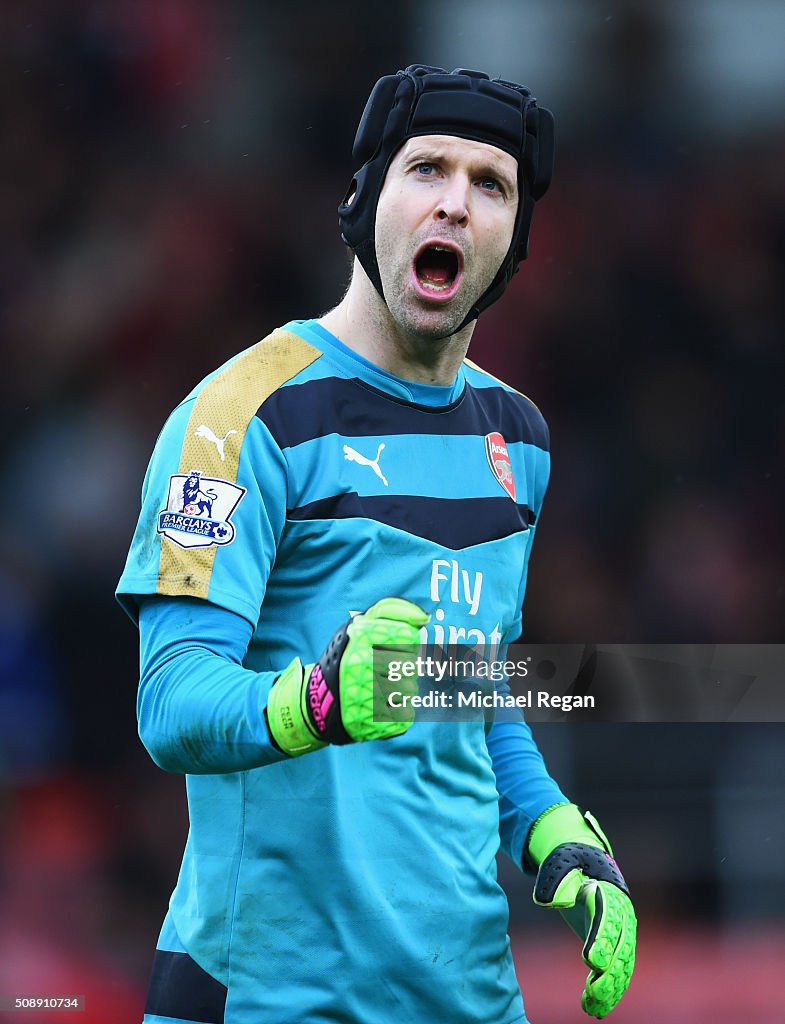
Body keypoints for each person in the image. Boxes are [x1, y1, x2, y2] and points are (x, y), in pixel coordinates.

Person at [117, 64, 636, 1024]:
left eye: (491, 186)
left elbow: (470, 693)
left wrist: (553, 832)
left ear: (514, 241)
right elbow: (169, 700)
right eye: (426, 168)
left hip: (466, 995)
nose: (455, 202)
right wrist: (312, 701)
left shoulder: (516, 439)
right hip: (269, 998)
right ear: (363, 202)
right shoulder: (241, 417)